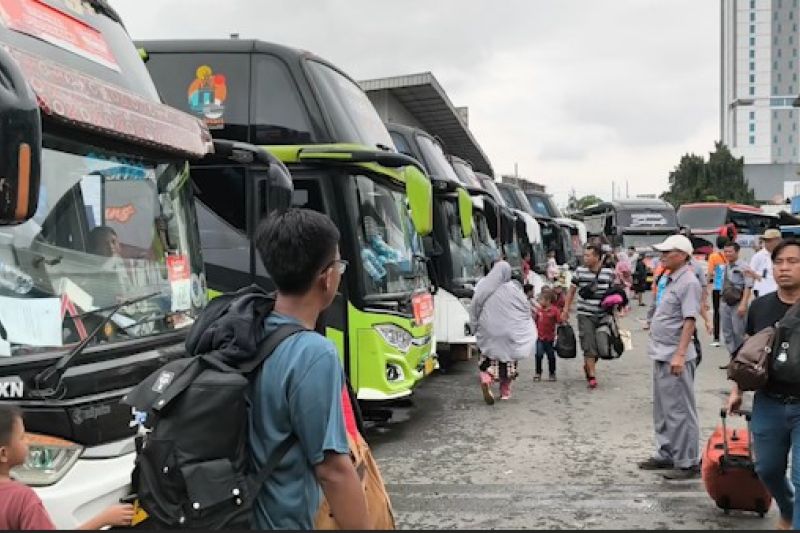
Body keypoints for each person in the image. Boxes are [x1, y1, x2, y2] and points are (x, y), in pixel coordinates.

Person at [249, 208, 369, 530]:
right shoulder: (314, 353)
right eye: (340, 264)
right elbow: (332, 469)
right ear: (327, 276)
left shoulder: (247, 328)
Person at [727, 238, 800, 531]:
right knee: (767, 469)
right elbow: (748, 354)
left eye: (793, 262)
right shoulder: (760, 307)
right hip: (769, 401)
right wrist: (737, 390)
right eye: (779, 262)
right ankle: (787, 507)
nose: (784, 268)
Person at [0, 405, 134, 530]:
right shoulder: (22, 499)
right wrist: (103, 519)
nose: (28, 442)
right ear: (3, 454)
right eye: (22, 437)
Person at [637, 235, 703, 480]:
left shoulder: (688, 282)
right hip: (661, 351)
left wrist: (680, 353)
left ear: (683, 255)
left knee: (680, 410)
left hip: (676, 355)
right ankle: (666, 452)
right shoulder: (669, 277)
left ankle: (687, 461)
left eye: (667, 252)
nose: (662, 256)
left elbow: (689, 320)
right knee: (664, 408)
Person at [471, 261, 537, 403]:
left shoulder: (483, 286)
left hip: (489, 331)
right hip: (509, 332)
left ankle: (486, 379)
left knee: (487, 358)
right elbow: (525, 307)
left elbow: (475, 306)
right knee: (508, 361)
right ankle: (505, 391)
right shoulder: (513, 289)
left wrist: (474, 325)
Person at [561, 243, 616, 389]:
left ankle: (589, 365)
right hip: (585, 314)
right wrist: (565, 309)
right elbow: (571, 292)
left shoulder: (608, 273)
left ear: (597, 257)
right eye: (584, 255)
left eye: (588, 255)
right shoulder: (579, 272)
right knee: (588, 344)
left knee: (601, 346)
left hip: (603, 315)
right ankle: (592, 375)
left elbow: (615, 293)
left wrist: (616, 309)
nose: (585, 258)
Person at [720, 241, 753, 357]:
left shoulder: (744, 266)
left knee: (738, 332)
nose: (727, 254)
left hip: (737, 303)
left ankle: (741, 358)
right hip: (725, 302)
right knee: (727, 331)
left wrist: (743, 304)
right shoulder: (726, 266)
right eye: (725, 251)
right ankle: (732, 357)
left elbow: (748, 286)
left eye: (730, 251)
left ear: (737, 252)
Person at [707, 236, 729, 347]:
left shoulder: (713, 256)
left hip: (717, 287)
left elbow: (710, 272)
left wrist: (706, 286)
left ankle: (716, 338)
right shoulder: (730, 255)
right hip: (729, 288)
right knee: (729, 311)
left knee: (717, 312)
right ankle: (729, 336)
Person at [746, 228, 781, 298]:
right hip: (761, 293)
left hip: (779, 293)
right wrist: (758, 277)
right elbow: (749, 274)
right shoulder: (758, 256)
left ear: (778, 240)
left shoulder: (783, 254)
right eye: (765, 240)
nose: (766, 243)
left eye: (769, 240)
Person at [534, 290, 560, 382]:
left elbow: (559, 321)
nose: (540, 301)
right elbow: (534, 321)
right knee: (538, 355)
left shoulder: (554, 310)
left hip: (550, 338)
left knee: (551, 356)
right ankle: (538, 372)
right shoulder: (539, 310)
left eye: (541, 299)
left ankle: (552, 373)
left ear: (548, 300)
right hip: (540, 337)